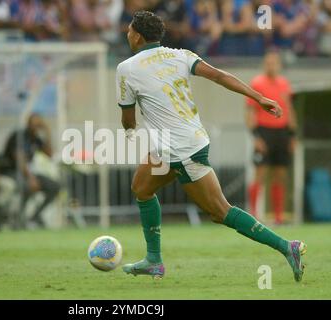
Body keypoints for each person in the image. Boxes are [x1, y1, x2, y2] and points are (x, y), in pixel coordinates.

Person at [116, 11, 306, 281]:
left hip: (181, 151)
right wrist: (258, 97)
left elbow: (127, 119)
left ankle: (289, 247)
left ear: (136, 36)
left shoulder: (126, 68)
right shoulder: (181, 55)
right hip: (181, 143)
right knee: (142, 188)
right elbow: (218, 76)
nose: (127, 34)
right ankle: (154, 260)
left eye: (129, 30)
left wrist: (128, 130)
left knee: (220, 211)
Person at [245, 50, 297, 224]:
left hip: (282, 133)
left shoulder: (284, 84)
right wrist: (256, 137)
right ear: (264, 64)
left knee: (280, 174)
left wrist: (292, 136)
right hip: (264, 132)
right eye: (268, 63)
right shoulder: (257, 83)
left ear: (279, 65)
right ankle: (253, 214)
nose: (271, 66)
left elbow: (289, 110)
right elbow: (250, 111)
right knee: (260, 174)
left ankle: (278, 216)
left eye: (274, 63)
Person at [4, 113, 60, 226]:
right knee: (27, 187)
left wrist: (47, 132)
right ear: (28, 124)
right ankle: (18, 219)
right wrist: (31, 178)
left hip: (29, 173)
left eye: (39, 124)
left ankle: (35, 216)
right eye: (34, 124)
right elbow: (19, 160)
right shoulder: (19, 136)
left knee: (55, 186)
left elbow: (49, 153)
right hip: (12, 171)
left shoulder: (35, 138)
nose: (36, 127)